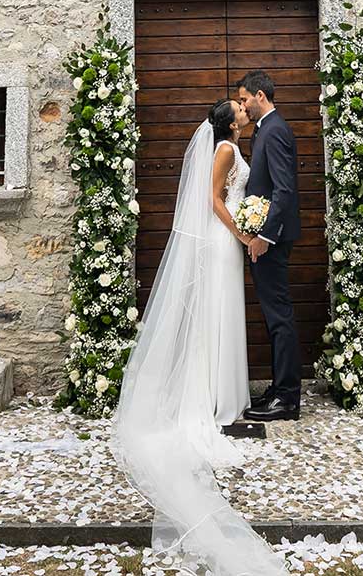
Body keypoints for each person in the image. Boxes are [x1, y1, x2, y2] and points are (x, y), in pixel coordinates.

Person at [110, 98, 282, 576]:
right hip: (219, 234)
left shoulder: (231, 144)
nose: (245, 109)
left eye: (244, 105)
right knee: (216, 311)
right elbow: (212, 198)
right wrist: (242, 233)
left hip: (225, 234)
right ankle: (211, 398)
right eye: (239, 108)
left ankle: (224, 395)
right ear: (230, 122)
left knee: (223, 311)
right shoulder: (225, 149)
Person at [236, 70, 302, 422]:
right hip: (269, 235)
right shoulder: (265, 130)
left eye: (245, 99)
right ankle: (279, 389)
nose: (243, 106)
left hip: (271, 240)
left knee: (279, 317)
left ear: (260, 96)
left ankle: (288, 398)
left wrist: (264, 236)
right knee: (275, 314)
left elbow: (284, 190)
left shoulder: (274, 130)